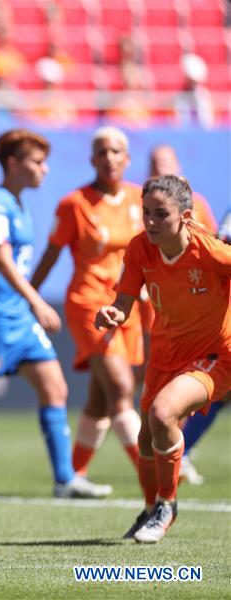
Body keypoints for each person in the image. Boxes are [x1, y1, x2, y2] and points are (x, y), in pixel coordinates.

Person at [0, 129, 111, 504]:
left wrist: (29, 304)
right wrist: (36, 300)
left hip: (18, 317)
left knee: (55, 388)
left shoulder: (19, 204)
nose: (44, 169)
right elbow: (0, 258)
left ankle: (65, 480)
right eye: (37, 162)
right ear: (13, 164)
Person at [95, 175, 231, 543]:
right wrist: (112, 314)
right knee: (145, 443)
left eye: (161, 214)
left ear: (185, 216)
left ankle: (166, 506)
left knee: (163, 413)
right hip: (166, 355)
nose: (150, 222)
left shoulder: (214, 253)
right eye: (146, 213)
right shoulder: (140, 248)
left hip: (214, 355)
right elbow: (122, 303)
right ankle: (150, 508)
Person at [31, 126, 143, 482]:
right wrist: (29, 295)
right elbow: (51, 254)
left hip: (128, 305)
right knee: (122, 389)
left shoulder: (141, 199)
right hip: (90, 304)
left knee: (100, 398)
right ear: (91, 158)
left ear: (127, 158)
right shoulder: (74, 204)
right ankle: (154, 476)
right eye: (101, 151)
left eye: (115, 151)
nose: (109, 158)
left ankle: (72, 474)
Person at [146, 144, 222, 485]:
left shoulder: (199, 213)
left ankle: (173, 471)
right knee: (148, 409)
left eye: (166, 166)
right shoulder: (146, 216)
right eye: (155, 166)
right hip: (166, 321)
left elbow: (215, 250)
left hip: (209, 327)